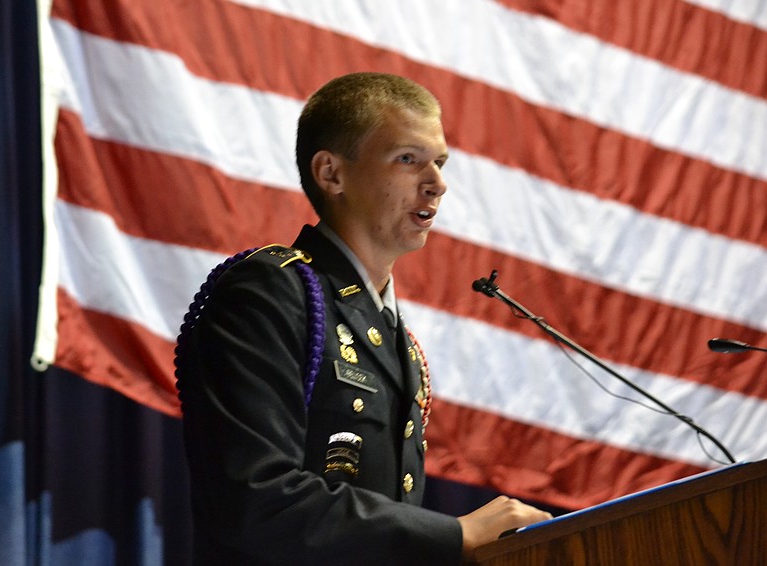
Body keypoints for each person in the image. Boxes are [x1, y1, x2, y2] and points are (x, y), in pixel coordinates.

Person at [175, 72, 551, 565]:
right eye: (408, 160)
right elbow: (257, 498)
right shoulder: (271, 290)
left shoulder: (400, 341)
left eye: (439, 162)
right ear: (332, 174)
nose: (438, 183)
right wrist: (455, 535)